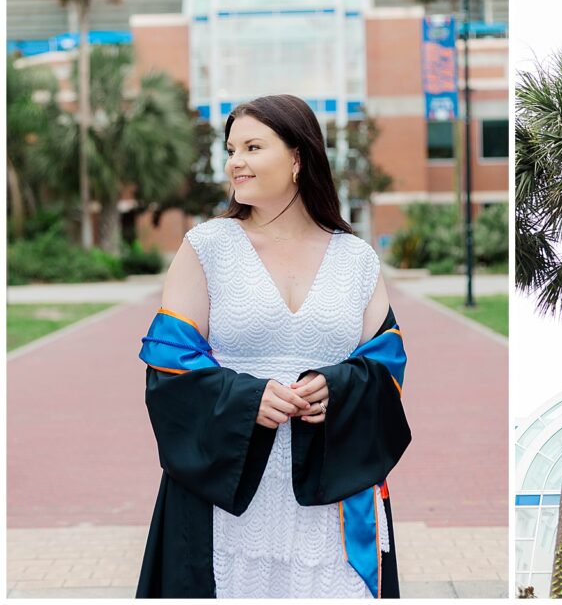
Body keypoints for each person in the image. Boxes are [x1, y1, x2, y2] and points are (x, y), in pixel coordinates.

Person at [136, 94, 411, 598]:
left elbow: (386, 365)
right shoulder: (207, 247)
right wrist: (246, 399)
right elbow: (169, 364)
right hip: (227, 488)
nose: (235, 161)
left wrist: (338, 386)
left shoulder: (357, 259)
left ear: (297, 157)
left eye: (252, 147)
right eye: (231, 148)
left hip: (330, 497)